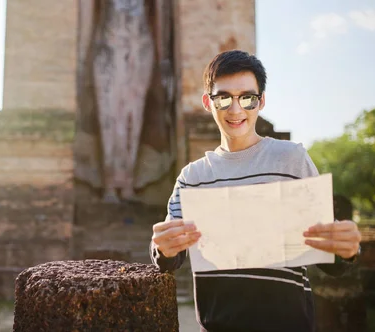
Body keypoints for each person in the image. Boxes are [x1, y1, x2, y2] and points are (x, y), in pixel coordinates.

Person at [149, 50, 362, 332]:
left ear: (261, 101)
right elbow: (169, 259)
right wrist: (161, 247)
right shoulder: (192, 177)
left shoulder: (292, 159)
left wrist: (346, 250)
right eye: (223, 97)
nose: (235, 110)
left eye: (247, 98)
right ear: (207, 102)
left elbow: (329, 258)